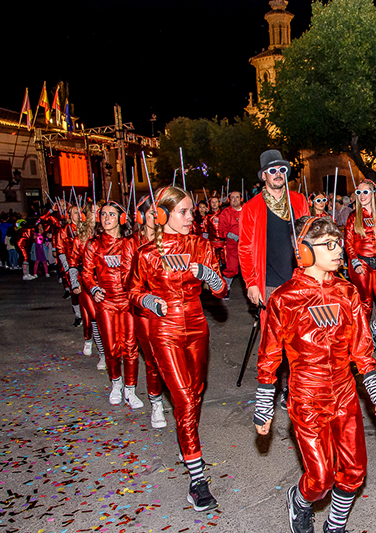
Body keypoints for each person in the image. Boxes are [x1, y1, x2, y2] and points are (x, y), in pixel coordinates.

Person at [254, 216, 376, 533]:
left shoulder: (348, 293)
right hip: (307, 398)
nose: (338, 249)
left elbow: (361, 349)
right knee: (321, 479)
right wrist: (263, 406)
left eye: (338, 243)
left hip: (345, 394)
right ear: (304, 250)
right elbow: (270, 355)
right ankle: (299, 501)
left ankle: (336, 523)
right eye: (328, 244)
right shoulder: (284, 298)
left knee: (355, 471)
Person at [129, 186, 226, 512]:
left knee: (195, 394)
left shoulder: (200, 244)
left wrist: (209, 274)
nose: (190, 217)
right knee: (184, 399)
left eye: (191, 211)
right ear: (162, 215)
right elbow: (132, 293)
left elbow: (222, 289)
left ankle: (187, 442)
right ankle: (197, 480)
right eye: (183, 212)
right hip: (164, 331)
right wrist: (148, 300)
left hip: (197, 327)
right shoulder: (146, 253)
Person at [239, 150, 310, 409]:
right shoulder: (251, 207)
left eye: (281, 170)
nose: (278, 175)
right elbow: (245, 248)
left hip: (297, 281)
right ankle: (268, 389)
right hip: (268, 283)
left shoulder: (299, 200)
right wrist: (251, 283)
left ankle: (294, 388)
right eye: (272, 171)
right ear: (263, 176)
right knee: (272, 343)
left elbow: (308, 237)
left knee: (301, 339)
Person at [82, 201, 143, 409]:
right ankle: (116, 385)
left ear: (121, 218)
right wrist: (94, 289)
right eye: (103, 214)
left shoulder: (130, 243)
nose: (107, 218)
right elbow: (86, 273)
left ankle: (130, 389)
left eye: (111, 214)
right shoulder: (94, 244)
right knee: (111, 348)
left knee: (131, 348)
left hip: (128, 302)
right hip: (105, 303)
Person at [123, 196, 167, 429]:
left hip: (171, 311)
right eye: (151, 214)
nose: (156, 218)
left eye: (159, 212)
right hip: (144, 310)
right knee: (152, 360)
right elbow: (127, 281)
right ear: (141, 217)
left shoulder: (170, 241)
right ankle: (156, 403)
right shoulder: (132, 244)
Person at [345, 180, 376, 344]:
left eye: (365, 192)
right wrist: (355, 262)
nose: (361, 196)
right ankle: (365, 337)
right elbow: (348, 242)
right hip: (361, 263)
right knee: (365, 303)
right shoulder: (353, 215)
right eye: (358, 193)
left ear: (374, 193)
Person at [69, 205, 106, 367]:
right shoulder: (80, 238)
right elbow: (72, 263)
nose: (98, 214)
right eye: (94, 211)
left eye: (101, 211)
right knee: (94, 318)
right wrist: (75, 283)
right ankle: (103, 354)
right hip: (88, 282)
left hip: (108, 284)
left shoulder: (108, 235)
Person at [57, 205, 84, 327]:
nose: (78, 215)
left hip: (85, 266)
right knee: (75, 293)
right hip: (71, 265)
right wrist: (66, 267)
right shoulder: (64, 230)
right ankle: (78, 316)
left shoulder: (85, 229)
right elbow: (60, 249)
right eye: (75, 212)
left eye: (79, 212)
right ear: (70, 215)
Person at [217, 190, 243, 299]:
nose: (235, 199)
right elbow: (221, 229)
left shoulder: (247, 210)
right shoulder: (225, 213)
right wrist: (231, 235)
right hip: (232, 246)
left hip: (247, 245)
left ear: (241, 199)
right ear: (229, 200)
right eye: (232, 197)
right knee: (231, 269)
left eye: (237, 197)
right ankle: (225, 289)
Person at [202, 194, 226, 274]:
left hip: (224, 244)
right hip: (213, 244)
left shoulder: (224, 214)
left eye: (216, 202)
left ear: (219, 203)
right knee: (214, 265)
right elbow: (205, 232)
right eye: (212, 202)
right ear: (209, 204)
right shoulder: (207, 217)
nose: (214, 203)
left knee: (226, 264)